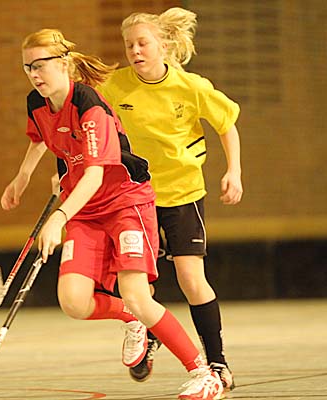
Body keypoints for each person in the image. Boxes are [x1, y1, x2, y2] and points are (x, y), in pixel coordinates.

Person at [1, 28, 224, 400]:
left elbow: (95, 173)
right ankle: (130, 317)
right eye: (28, 67)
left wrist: (59, 217)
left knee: (136, 293)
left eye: (41, 65)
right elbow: (40, 136)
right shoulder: (36, 102)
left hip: (125, 204)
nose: (34, 74)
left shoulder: (90, 105)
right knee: (74, 302)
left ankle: (204, 373)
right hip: (86, 212)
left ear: (64, 64)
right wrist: (22, 177)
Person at [97, 7, 242, 393]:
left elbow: (227, 124)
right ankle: (148, 333)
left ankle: (217, 362)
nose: (135, 51)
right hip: (134, 197)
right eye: (129, 45)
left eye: (142, 43)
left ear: (163, 46)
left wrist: (234, 171)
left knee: (191, 278)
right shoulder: (114, 86)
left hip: (182, 194)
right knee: (135, 284)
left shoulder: (190, 87)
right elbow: (88, 118)